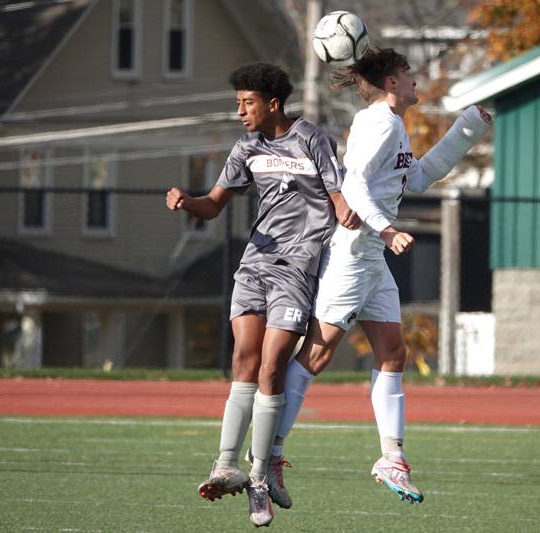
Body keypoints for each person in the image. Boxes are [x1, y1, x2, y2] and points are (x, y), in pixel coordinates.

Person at [260, 48, 494, 508]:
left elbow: (420, 177)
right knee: (319, 353)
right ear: (391, 82)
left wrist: (465, 131)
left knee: (392, 351)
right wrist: (387, 231)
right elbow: (354, 186)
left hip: (371, 257)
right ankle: (267, 453)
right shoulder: (379, 123)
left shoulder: (393, 124)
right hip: (354, 254)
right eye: (407, 74)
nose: (413, 81)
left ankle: (391, 457)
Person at [165, 62, 358, 528]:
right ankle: (225, 464)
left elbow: (338, 197)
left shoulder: (312, 138)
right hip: (255, 265)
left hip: (297, 267)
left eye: (247, 103)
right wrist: (188, 202)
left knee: (272, 366)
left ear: (273, 103)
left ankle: (258, 477)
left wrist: (359, 219)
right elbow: (214, 204)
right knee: (243, 362)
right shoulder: (247, 145)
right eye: (237, 103)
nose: (240, 112)